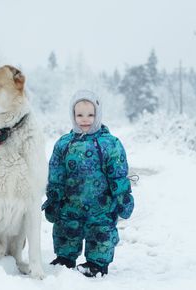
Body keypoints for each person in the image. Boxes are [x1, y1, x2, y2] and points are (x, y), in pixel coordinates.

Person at [42, 90, 134, 278]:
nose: (85, 119)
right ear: (73, 115)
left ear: (98, 114)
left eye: (90, 114)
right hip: (70, 204)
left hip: (101, 206)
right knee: (66, 228)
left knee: (100, 233)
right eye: (80, 115)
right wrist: (53, 198)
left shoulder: (110, 144)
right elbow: (56, 174)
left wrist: (123, 197)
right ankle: (65, 258)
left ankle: (96, 263)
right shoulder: (64, 144)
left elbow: (118, 174)